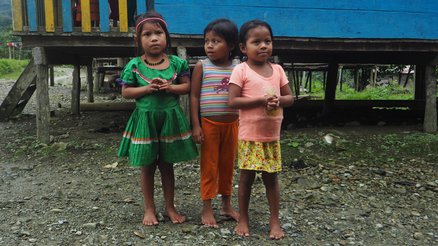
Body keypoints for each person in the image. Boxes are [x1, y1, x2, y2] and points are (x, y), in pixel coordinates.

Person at [117, 11, 198, 226]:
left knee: (167, 164)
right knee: (147, 165)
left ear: (166, 36)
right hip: (145, 120)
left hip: (170, 119)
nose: (154, 38)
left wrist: (170, 87)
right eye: (147, 34)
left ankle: (170, 207)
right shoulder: (134, 65)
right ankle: (149, 209)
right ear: (138, 39)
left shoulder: (176, 63)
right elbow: (126, 93)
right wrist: (147, 88)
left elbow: (187, 87)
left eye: (158, 33)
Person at [228, 19, 294, 239]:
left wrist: (279, 101)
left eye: (267, 41)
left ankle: (274, 221)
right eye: (257, 42)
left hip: (271, 136)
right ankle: (244, 217)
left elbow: (289, 98)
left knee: (271, 179)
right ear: (243, 48)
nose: (264, 45)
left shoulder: (277, 70)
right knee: (246, 178)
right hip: (250, 136)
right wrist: (259, 100)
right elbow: (233, 101)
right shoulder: (241, 70)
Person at [190, 19, 240, 228]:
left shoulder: (239, 67)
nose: (209, 45)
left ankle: (226, 205)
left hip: (233, 124)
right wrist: (196, 125)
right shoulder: (203, 66)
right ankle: (207, 207)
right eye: (207, 41)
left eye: (216, 41)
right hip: (209, 124)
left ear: (230, 45)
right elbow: (193, 96)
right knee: (209, 166)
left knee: (228, 165)